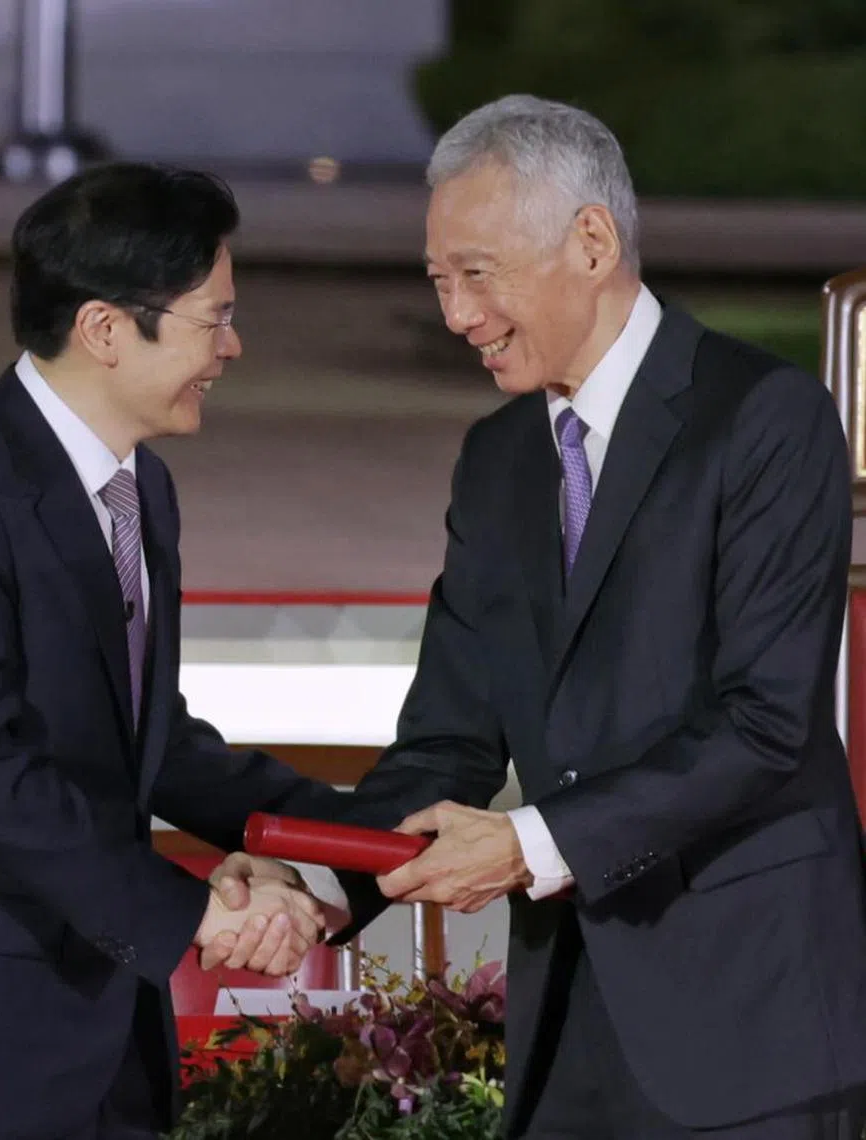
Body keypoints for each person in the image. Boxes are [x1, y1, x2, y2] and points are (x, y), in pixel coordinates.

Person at [217, 95, 866, 1138]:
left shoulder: (764, 419)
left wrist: (528, 845)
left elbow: (765, 723)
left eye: (478, 273)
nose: (456, 314)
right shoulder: (500, 459)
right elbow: (445, 743)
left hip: (750, 1028)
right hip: (566, 1032)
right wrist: (327, 884)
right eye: (438, 280)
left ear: (593, 242)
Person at [0, 163, 350, 1140]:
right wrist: (195, 917)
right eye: (211, 320)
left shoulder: (144, 494)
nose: (233, 346)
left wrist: (353, 835)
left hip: (101, 1061)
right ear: (104, 329)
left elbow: (154, 744)